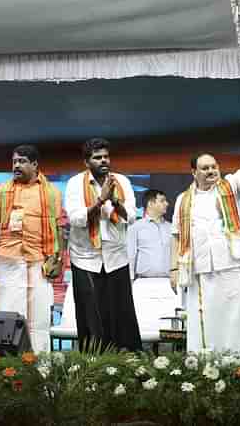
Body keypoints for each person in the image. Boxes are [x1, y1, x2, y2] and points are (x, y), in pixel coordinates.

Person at [170, 120, 240, 355]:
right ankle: (204, 366)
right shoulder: (183, 200)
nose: (211, 171)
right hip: (199, 268)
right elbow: (177, 235)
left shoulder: (229, 186)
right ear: (194, 172)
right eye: (205, 168)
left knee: (235, 318)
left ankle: (237, 365)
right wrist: (173, 269)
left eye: (214, 166)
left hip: (230, 264)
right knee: (203, 319)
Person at [0, 145, 64, 352]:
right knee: (9, 318)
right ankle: (11, 370)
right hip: (8, 258)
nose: (16, 165)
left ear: (35, 164)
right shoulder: (3, 190)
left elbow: (59, 227)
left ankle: (41, 371)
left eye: (22, 161)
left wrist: (58, 259)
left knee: (39, 321)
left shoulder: (51, 192)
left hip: (39, 260)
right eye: (14, 162)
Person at [64, 138, 140, 352]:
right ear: (87, 162)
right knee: (91, 317)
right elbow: (76, 219)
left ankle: (124, 363)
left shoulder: (122, 182)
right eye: (97, 158)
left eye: (106, 156)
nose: (104, 161)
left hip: (116, 258)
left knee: (121, 315)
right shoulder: (74, 183)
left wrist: (115, 201)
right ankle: (93, 365)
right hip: (86, 259)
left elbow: (131, 216)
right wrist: (100, 200)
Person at [127, 189, 177, 338]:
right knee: (143, 325)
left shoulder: (172, 228)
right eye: (162, 200)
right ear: (150, 203)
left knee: (168, 328)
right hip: (143, 284)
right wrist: (128, 285)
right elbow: (130, 257)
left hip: (170, 284)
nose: (167, 204)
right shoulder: (135, 227)